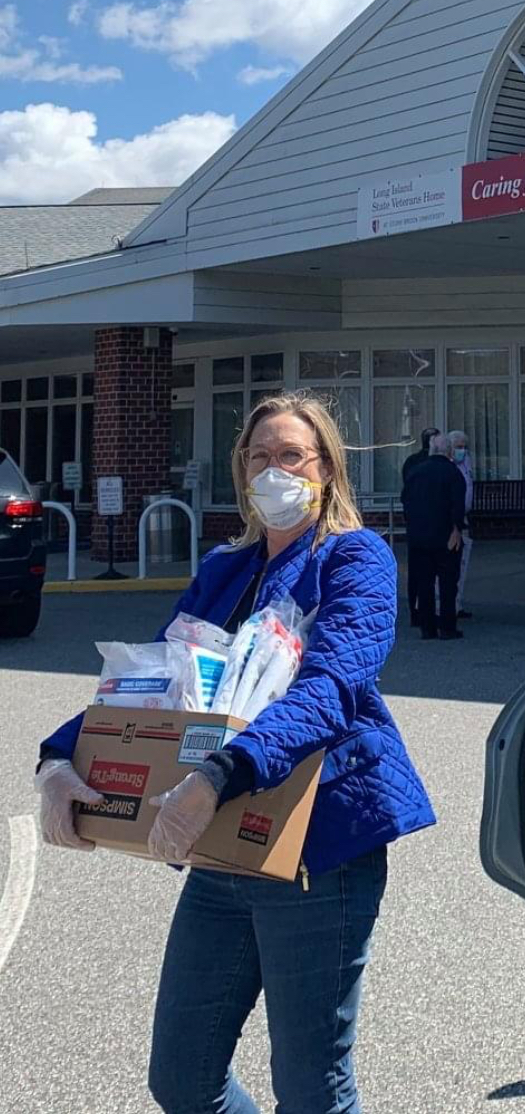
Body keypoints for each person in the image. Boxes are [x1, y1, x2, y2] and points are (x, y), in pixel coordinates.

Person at [35, 392, 436, 1114]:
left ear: (326, 469)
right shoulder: (227, 569)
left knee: (313, 1087)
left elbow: (332, 688)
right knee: (183, 1079)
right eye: (259, 456)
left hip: (318, 848)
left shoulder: (354, 558)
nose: (272, 470)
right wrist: (58, 759)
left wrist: (221, 772)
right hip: (221, 845)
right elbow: (153, 677)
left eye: (291, 455)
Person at [402, 433, 465, 641]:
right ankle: (447, 627)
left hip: (419, 536)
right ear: (448, 451)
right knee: (448, 584)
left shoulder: (416, 472)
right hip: (445, 536)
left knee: (424, 583)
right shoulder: (453, 473)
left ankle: (427, 627)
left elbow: (406, 502)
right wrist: (457, 530)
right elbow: (458, 505)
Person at [401, 426, 440, 626]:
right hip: (431, 525)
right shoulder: (433, 465)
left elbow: (405, 494)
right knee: (429, 573)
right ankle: (427, 612)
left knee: (418, 573)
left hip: (415, 524)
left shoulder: (412, 463)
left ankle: (417, 613)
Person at [449, 429, 474, 619]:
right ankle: (447, 605)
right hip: (450, 519)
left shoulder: (466, 463)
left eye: (464, 447)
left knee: (462, 565)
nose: (462, 450)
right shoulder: (448, 466)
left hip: (463, 516)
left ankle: (457, 603)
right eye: (458, 447)